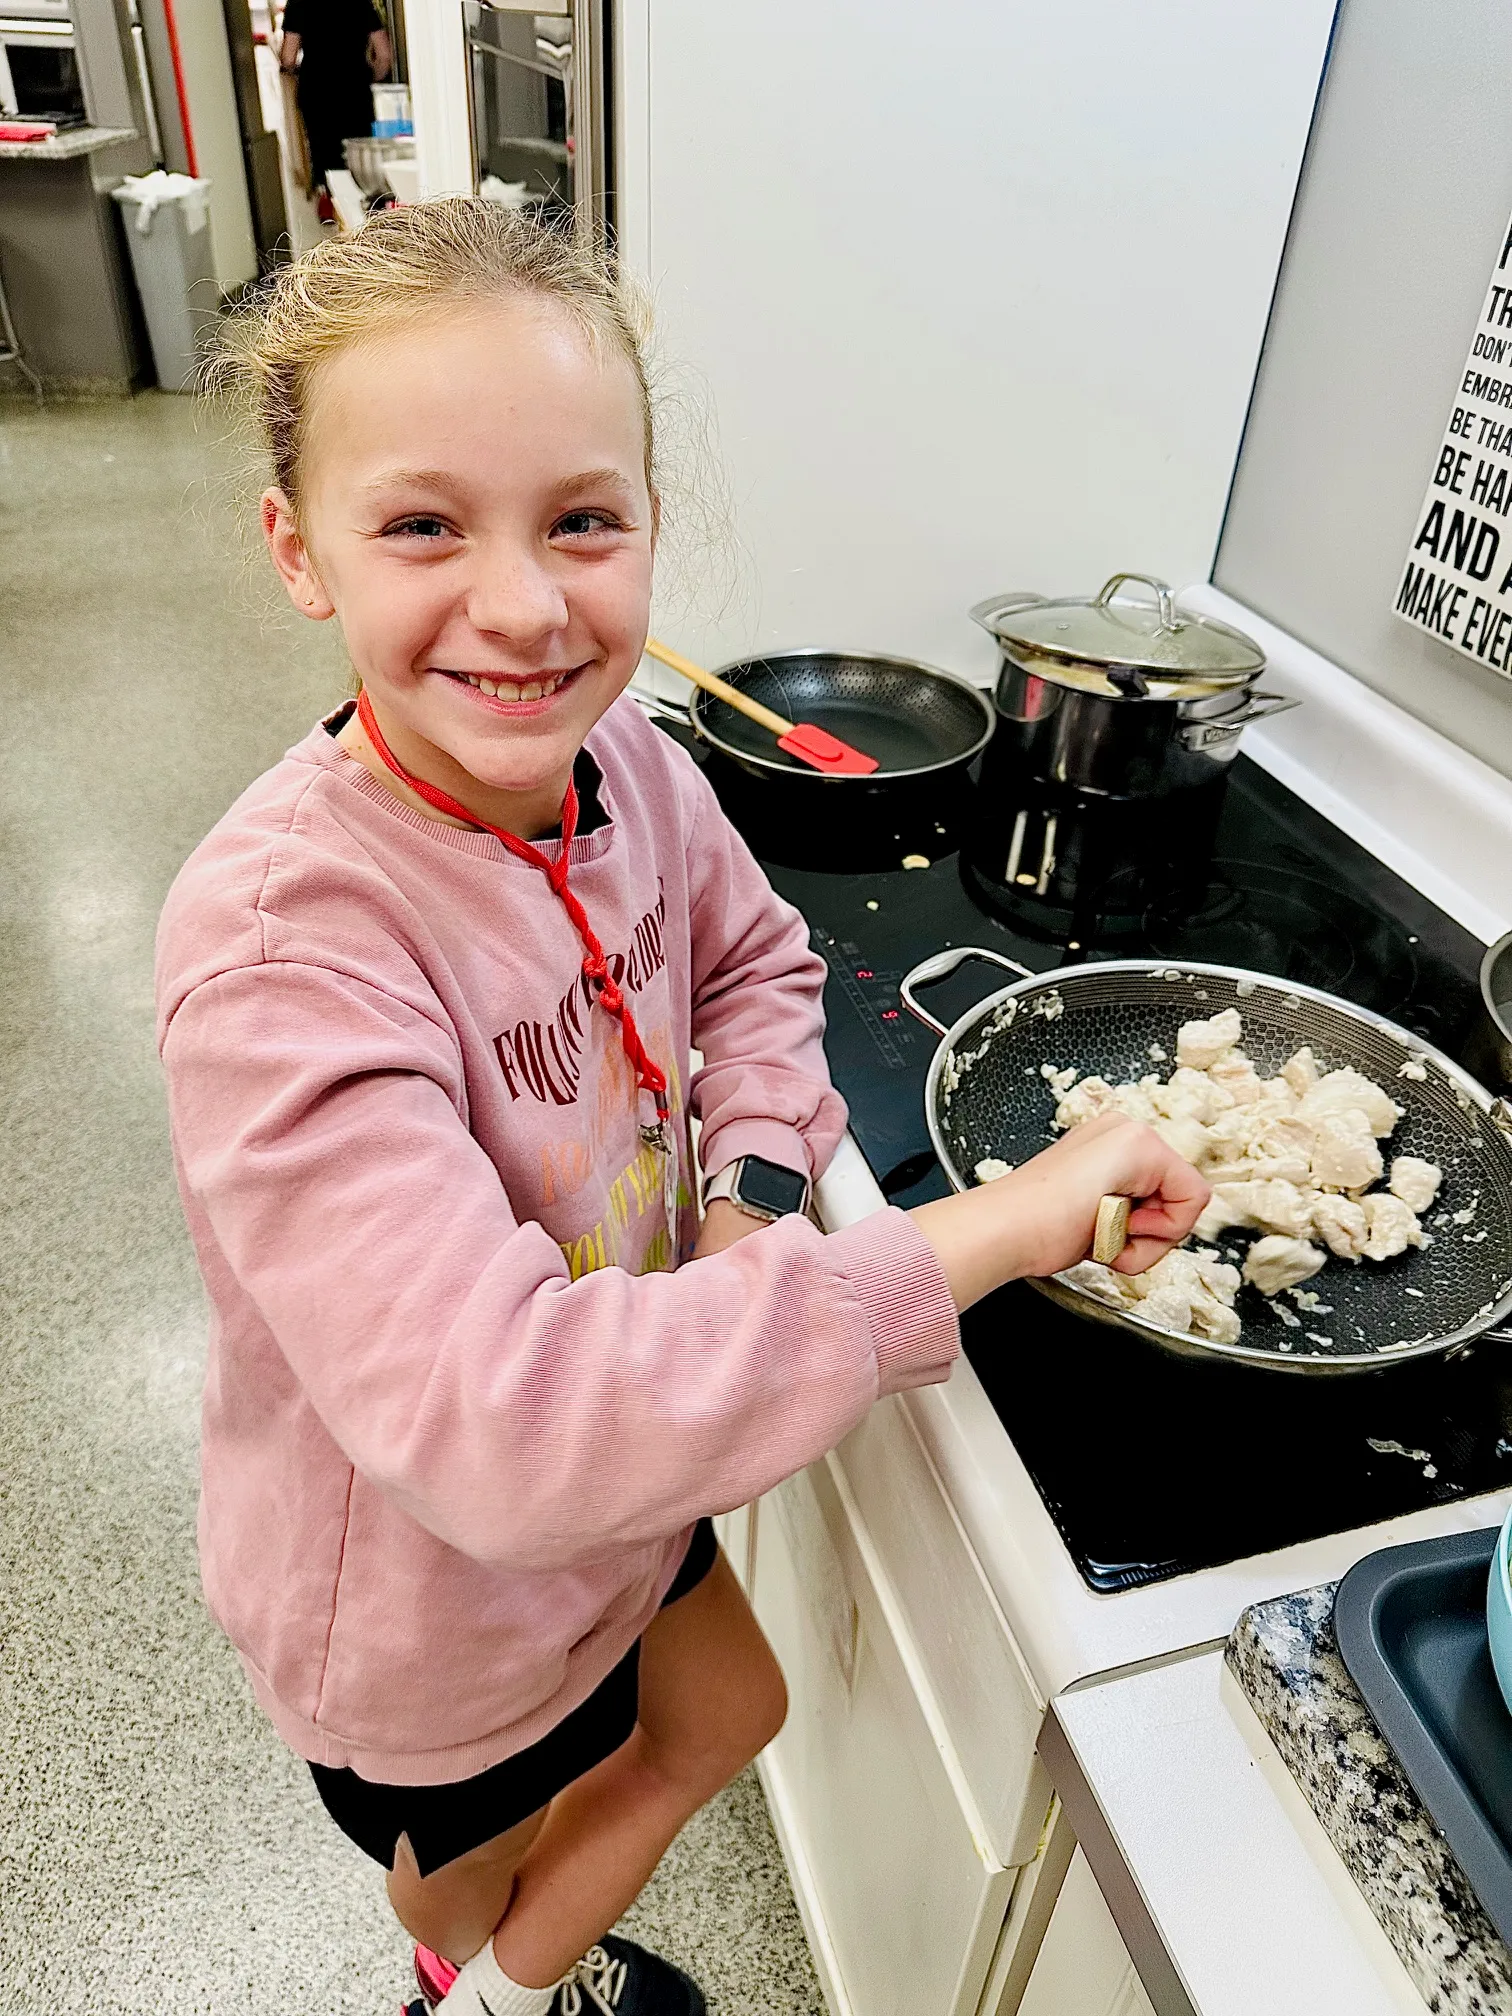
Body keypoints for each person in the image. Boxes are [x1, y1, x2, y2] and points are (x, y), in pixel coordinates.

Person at [159, 200, 1208, 2016]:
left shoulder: (633, 765)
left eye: (582, 519)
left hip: (633, 1495)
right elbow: (500, 1427)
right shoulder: (283, 951)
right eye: (423, 524)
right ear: (298, 547)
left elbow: (756, 968)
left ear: (649, 522)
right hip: (432, 1620)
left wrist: (744, 1182)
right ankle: (486, 1993)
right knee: (476, 1900)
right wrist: (994, 1225)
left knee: (733, 1705)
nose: (523, 603)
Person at [278, 0, 391, 208]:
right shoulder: (361, 2)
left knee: (325, 154)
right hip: (355, 89)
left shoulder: (298, 3)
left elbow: (288, 57)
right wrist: (369, 76)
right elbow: (384, 55)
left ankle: (335, 207)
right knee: (359, 153)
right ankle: (369, 213)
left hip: (317, 90)